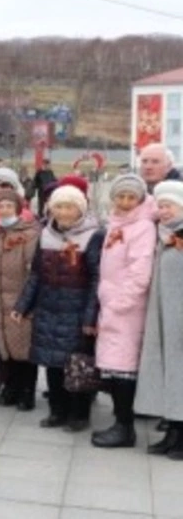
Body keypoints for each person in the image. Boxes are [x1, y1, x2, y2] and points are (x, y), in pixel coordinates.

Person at [13, 184, 104, 432]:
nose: (63, 212)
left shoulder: (93, 235)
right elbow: (35, 275)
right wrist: (22, 305)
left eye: (69, 207)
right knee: (51, 364)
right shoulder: (46, 234)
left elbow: (98, 278)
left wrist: (90, 316)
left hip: (76, 309)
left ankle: (79, 413)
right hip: (48, 306)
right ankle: (58, 410)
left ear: (80, 209)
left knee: (77, 364)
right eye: (59, 206)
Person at [91, 174, 155, 448]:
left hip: (126, 309)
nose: (126, 202)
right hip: (112, 306)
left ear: (140, 199)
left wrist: (119, 303)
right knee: (114, 367)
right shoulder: (117, 223)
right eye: (121, 196)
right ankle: (120, 421)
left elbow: (140, 271)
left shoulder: (142, 227)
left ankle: (125, 426)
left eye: (132, 197)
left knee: (123, 367)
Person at [135, 180, 183, 459]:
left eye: (169, 206)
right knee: (170, 374)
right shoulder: (166, 236)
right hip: (166, 317)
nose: (164, 211)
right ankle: (173, 431)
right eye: (161, 206)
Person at [0, 189, 40, 411]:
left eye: (9, 206)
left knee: (24, 349)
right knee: (6, 348)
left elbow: (33, 271)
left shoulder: (29, 234)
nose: (4, 210)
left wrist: (25, 302)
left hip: (21, 300)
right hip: (1, 301)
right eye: (1, 207)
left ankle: (27, 391)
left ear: (19, 210)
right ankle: (10, 387)